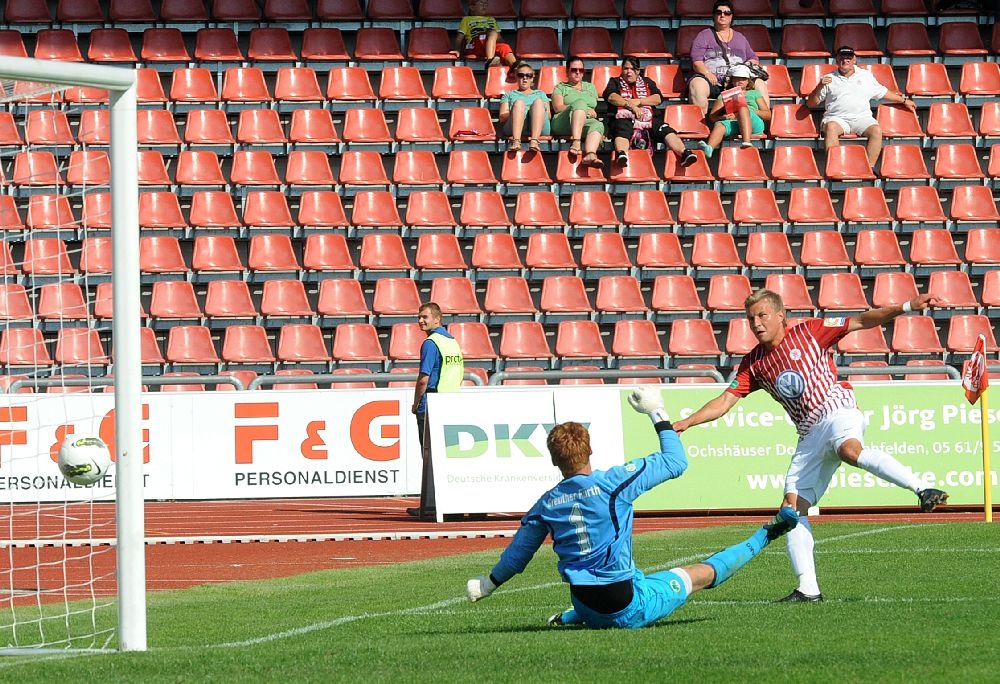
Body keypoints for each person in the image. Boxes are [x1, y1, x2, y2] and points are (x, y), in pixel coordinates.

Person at [672, 289, 950, 602]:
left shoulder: (810, 331)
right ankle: (808, 588)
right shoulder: (754, 363)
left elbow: (862, 320)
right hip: (808, 431)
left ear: (780, 316)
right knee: (791, 509)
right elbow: (724, 401)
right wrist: (687, 422)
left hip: (836, 406)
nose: (756, 323)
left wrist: (908, 305)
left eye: (762, 315)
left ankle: (922, 488)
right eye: (751, 319)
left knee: (849, 450)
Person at [465, 387, 800, 628]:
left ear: (554, 460)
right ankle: (768, 533)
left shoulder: (546, 504)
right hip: (624, 606)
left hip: (583, 601)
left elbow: (517, 557)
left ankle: (569, 617)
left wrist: (488, 584)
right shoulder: (613, 483)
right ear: (590, 450)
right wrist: (657, 412)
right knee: (701, 574)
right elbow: (675, 461)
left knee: (627, 576)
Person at [806, 45, 917, 168]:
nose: (845, 60)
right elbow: (811, 103)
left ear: (854, 60)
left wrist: (904, 100)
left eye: (849, 57)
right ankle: (834, 168)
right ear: (836, 60)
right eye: (842, 57)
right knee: (830, 127)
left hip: (862, 118)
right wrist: (819, 86)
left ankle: (868, 169)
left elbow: (882, 92)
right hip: (837, 118)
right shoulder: (828, 78)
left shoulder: (865, 75)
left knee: (876, 130)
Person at [408, 302, 465, 520]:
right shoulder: (452, 342)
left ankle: (432, 507)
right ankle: (449, 505)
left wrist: (416, 403)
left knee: (430, 458)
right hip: (451, 403)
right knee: (448, 457)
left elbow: (423, 378)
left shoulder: (431, 343)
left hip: (432, 404)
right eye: (419, 317)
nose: (420, 320)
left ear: (437, 319)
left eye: (425, 317)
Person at [603, 55, 698, 169]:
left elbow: (657, 98)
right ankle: (621, 154)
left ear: (638, 71)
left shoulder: (647, 82)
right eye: (626, 69)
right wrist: (630, 106)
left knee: (665, 129)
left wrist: (639, 101)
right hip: (623, 118)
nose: (629, 72)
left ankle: (684, 153)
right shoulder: (615, 81)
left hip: (649, 118)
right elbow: (611, 97)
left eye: (632, 69)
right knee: (622, 128)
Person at [687, 0, 769, 117]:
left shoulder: (740, 37)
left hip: (736, 81)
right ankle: (700, 124)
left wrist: (744, 69)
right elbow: (696, 61)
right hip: (713, 81)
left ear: (731, 17)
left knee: (759, 83)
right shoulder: (703, 35)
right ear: (713, 15)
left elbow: (753, 58)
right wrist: (707, 73)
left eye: (727, 13)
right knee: (697, 84)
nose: (722, 15)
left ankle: (763, 122)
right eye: (719, 12)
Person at [699, 63, 771, 158]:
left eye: (743, 79)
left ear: (748, 81)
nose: (740, 81)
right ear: (732, 80)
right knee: (720, 124)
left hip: (754, 122)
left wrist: (752, 110)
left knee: (742, 108)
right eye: (737, 78)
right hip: (735, 122)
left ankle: (746, 142)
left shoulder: (754, 93)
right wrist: (723, 117)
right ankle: (709, 148)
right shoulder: (724, 95)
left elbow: (768, 115)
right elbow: (712, 116)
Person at [551, 56, 606, 168]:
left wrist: (590, 112)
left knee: (598, 124)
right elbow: (557, 107)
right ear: (567, 71)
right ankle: (576, 142)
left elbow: (593, 109)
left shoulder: (590, 87)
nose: (577, 72)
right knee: (580, 103)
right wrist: (580, 107)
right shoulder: (560, 87)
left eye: (581, 70)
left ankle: (590, 154)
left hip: (584, 120)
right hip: (563, 122)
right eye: (574, 70)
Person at [498, 61, 551, 153]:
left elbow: (549, 116)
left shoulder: (541, 94)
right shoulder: (509, 95)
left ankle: (534, 141)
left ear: (532, 78)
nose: (525, 78)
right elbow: (502, 117)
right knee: (519, 103)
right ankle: (516, 141)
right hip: (515, 126)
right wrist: (517, 111)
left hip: (539, 126)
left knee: (538, 103)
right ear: (516, 77)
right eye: (521, 75)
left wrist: (533, 111)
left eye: (528, 75)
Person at [454, 0, 517, 71]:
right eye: (481, 3)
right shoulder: (466, 19)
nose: (484, 5)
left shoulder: (491, 19)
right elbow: (459, 38)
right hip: (474, 45)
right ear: (472, 7)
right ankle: (490, 61)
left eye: (486, 3)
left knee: (504, 47)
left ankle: (516, 67)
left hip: (489, 46)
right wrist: (457, 51)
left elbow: (499, 38)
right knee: (492, 32)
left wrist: (502, 44)